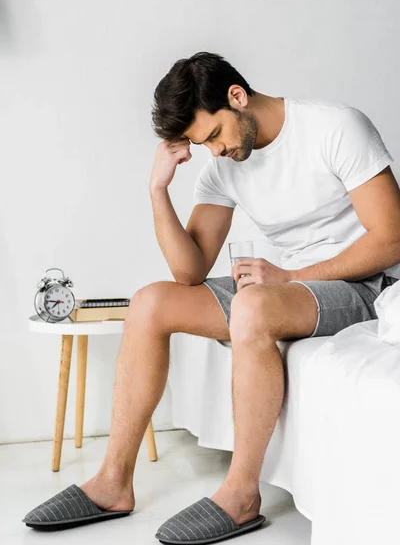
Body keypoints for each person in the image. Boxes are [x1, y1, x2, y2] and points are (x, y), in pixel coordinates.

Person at [22, 52, 400, 543]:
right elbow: (189, 270)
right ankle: (113, 481)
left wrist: (289, 276)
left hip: (364, 284)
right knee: (150, 302)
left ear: (237, 97)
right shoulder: (223, 165)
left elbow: (391, 236)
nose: (215, 151)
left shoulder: (335, 127)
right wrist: (158, 189)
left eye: (215, 135)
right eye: (204, 144)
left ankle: (242, 495)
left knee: (253, 305)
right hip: (292, 284)